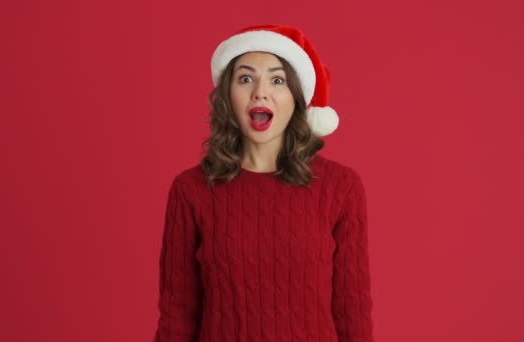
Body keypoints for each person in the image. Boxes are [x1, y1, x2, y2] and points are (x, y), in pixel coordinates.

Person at [153, 24, 375, 342]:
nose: (260, 91)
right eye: (246, 78)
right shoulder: (191, 191)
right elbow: (177, 316)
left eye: (277, 79)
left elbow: (352, 315)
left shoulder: (340, 189)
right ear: (228, 95)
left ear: (296, 98)